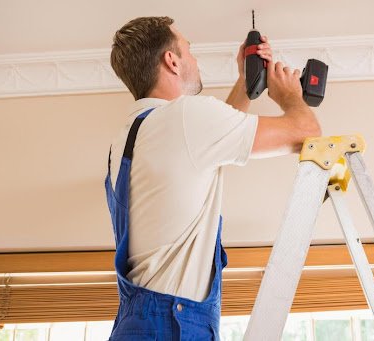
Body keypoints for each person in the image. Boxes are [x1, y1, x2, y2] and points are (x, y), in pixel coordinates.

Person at [105, 16, 321, 340]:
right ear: (172, 61)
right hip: (171, 327)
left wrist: (245, 85)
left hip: (137, 325)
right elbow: (307, 133)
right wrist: (290, 95)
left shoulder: (130, 136)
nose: (195, 59)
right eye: (189, 50)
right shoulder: (185, 118)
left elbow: (205, 148)